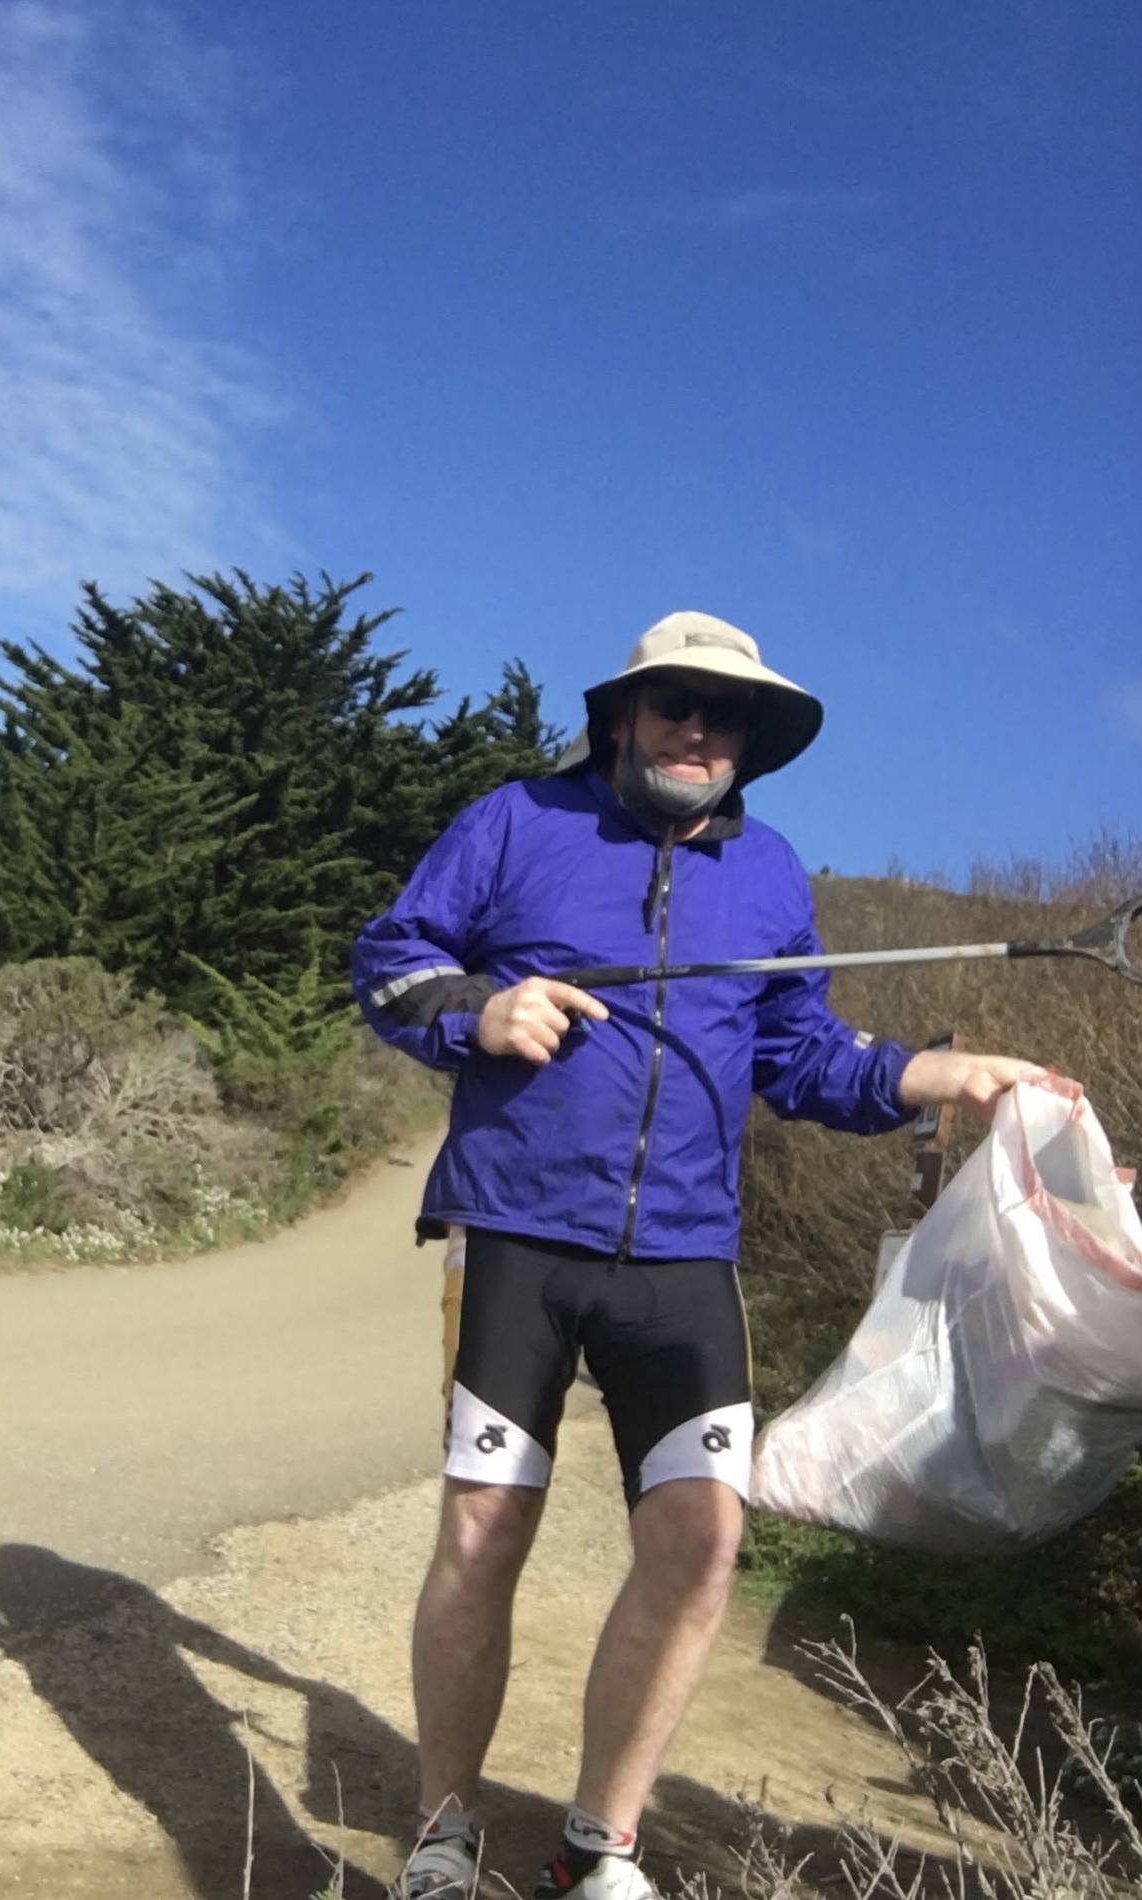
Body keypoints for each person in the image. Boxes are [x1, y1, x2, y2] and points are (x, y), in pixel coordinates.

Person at [352, 612, 1042, 1900]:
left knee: (701, 1542)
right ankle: (443, 1839)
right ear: (622, 715)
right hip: (515, 1237)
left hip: (684, 1261)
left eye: (726, 717)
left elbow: (801, 1056)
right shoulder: (515, 820)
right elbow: (389, 959)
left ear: (750, 746)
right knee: (485, 1531)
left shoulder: (772, 873)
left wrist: (929, 1076)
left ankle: (597, 1850)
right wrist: (478, 1010)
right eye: (674, 703)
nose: (699, 730)